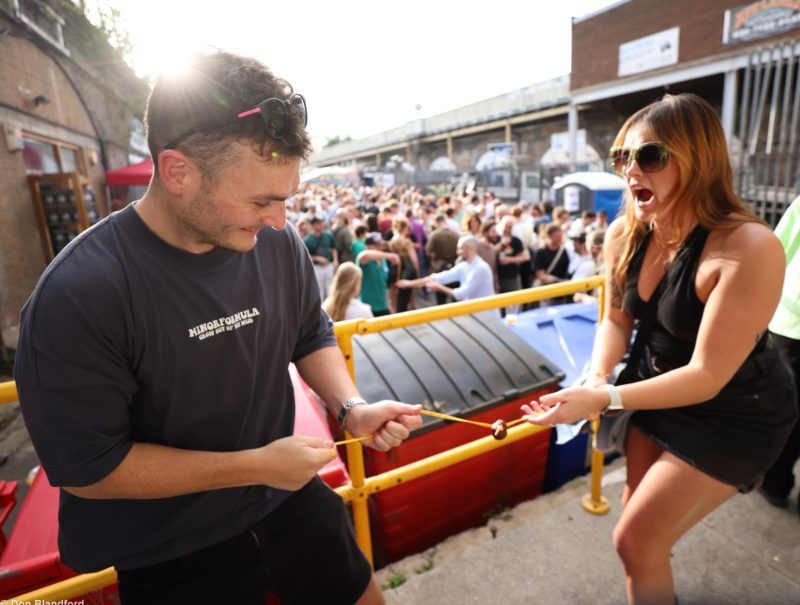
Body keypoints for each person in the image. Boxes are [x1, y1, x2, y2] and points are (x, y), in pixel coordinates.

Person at [14, 50, 422, 605]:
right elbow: (88, 469)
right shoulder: (81, 294)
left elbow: (311, 333)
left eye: (285, 199)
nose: (279, 220)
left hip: (290, 500)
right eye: (261, 200)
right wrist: (253, 466)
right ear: (178, 171)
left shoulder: (276, 242)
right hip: (171, 549)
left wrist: (350, 407)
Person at [523, 93, 798, 605]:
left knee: (634, 540)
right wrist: (599, 377)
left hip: (735, 411)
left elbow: (708, 374)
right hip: (652, 390)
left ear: (699, 160)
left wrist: (604, 400)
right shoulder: (624, 233)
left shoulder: (747, 246)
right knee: (638, 523)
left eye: (649, 156)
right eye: (621, 157)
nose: (631, 170)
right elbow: (616, 319)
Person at [759, 196, 800, 509]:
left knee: (785, 410)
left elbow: (778, 251)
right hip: (790, 325)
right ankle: (774, 482)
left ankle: (774, 483)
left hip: (790, 325)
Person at [396, 235, 494, 307]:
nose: (458, 252)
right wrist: (409, 283)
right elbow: (438, 277)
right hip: (477, 314)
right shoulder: (464, 266)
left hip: (486, 315)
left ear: (469, 249)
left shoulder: (480, 268)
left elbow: (461, 294)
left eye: (460, 249)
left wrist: (439, 287)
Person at [356, 234, 400, 317]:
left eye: (380, 245)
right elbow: (363, 256)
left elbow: (384, 284)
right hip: (368, 308)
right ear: (367, 247)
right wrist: (389, 256)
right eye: (376, 246)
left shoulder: (382, 260)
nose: (380, 248)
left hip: (383, 306)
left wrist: (388, 303)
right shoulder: (364, 260)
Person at [304, 215, 338, 299]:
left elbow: (333, 248)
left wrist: (335, 260)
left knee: (330, 289)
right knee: (320, 290)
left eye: (322, 222)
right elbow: (306, 256)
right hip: (317, 267)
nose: (321, 225)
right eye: (318, 223)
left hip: (329, 265)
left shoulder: (328, 235)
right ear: (313, 225)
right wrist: (317, 258)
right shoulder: (307, 240)